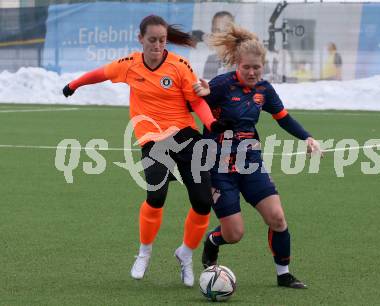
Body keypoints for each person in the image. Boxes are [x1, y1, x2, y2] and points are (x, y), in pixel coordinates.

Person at [62, 15, 232, 287]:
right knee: (156, 194)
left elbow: (196, 101)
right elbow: (101, 73)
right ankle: (144, 252)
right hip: (153, 139)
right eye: (152, 40)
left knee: (202, 202)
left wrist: (211, 122)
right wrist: (74, 85)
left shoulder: (179, 66)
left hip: (186, 136)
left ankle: (185, 254)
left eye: (162, 40)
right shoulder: (129, 65)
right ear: (140, 39)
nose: (157, 45)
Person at [199, 24, 322, 288]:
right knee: (234, 234)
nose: (252, 72)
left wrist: (307, 137)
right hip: (218, 166)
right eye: (247, 68)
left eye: (257, 67)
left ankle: (284, 275)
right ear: (237, 65)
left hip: (250, 163)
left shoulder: (264, 90)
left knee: (277, 218)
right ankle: (212, 241)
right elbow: (197, 107)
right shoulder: (220, 86)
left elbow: (283, 118)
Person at [202, 11, 235, 80]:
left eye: (225, 30)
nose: (221, 35)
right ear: (212, 32)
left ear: (233, 31)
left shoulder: (244, 58)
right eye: (217, 30)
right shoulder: (210, 59)